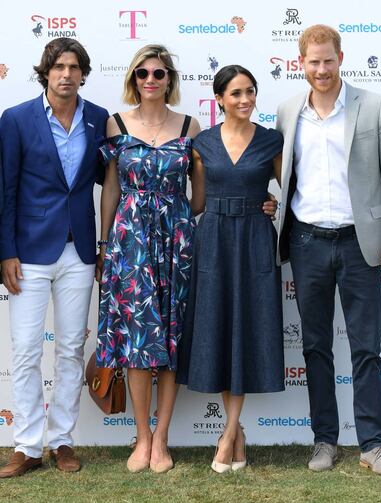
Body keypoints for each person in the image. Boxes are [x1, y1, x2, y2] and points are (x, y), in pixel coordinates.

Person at [276, 24, 381, 475]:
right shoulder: (288, 110)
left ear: (340, 57)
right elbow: (283, 174)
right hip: (307, 240)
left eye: (328, 60)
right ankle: (324, 441)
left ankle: (373, 444)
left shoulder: (373, 106)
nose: (321, 69)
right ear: (301, 63)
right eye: (313, 62)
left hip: (360, 243)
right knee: (315, 346)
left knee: (366, 348)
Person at [0, 38, 108, 478]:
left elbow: (114, 180)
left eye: (74, 66)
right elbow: (5, 189)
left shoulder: (99, 118)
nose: (66, 74)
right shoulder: (16, 119)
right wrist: (5, 250)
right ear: (45, 72)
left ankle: (62, 441)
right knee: (25, 352)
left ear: (83, 72)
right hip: (28, 252)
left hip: (79, 250)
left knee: (69, 350)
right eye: (58, 66)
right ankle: (26, 446)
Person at [94, 44, 202, 474]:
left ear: (169, 79)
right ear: (133, 78)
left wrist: (172, 221)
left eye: (159, 73)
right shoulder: (115, 124)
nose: (151, 80)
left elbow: (200, 197)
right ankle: (141, 437)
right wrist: (105, 247)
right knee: (138, 340)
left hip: (176, 244)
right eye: (143, 73)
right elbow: (111, 190)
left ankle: (162, 438)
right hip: (129, 244)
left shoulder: (191, 126)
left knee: (172, 339)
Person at [176, 65, 285, 473]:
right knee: (220, 330)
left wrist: (273, 205)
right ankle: (235, 433)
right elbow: (199, 202)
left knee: (246, 330)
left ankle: (228, 434)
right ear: (219, 98)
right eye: (236, 93)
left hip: (255, 240)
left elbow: (291, 191)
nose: (245, 100)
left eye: (251, 92)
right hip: (214, 243)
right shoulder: (201, 142)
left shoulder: (273, 141)